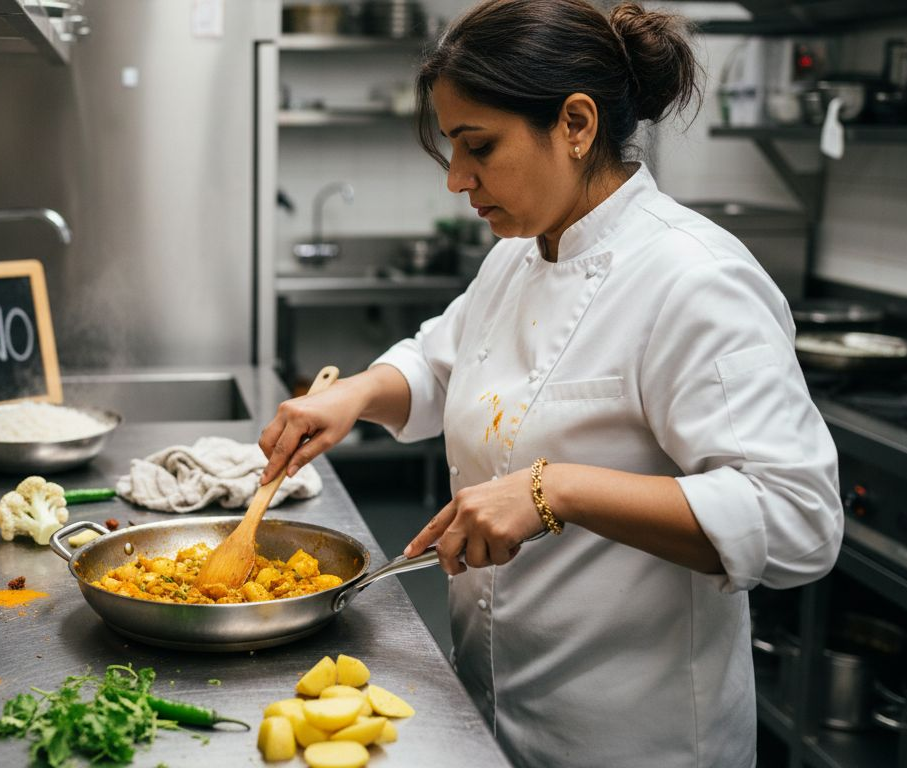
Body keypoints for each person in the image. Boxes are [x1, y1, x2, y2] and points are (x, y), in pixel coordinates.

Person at [258, 1, 842, 766]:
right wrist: (356, 394)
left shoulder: (695, 279)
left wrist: (552, 490)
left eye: (479, 147)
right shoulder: (523, 250)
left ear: (575, 124)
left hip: (635, 739)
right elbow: (442, 360)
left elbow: (799, 519)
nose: (458, 181)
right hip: (493, 705)